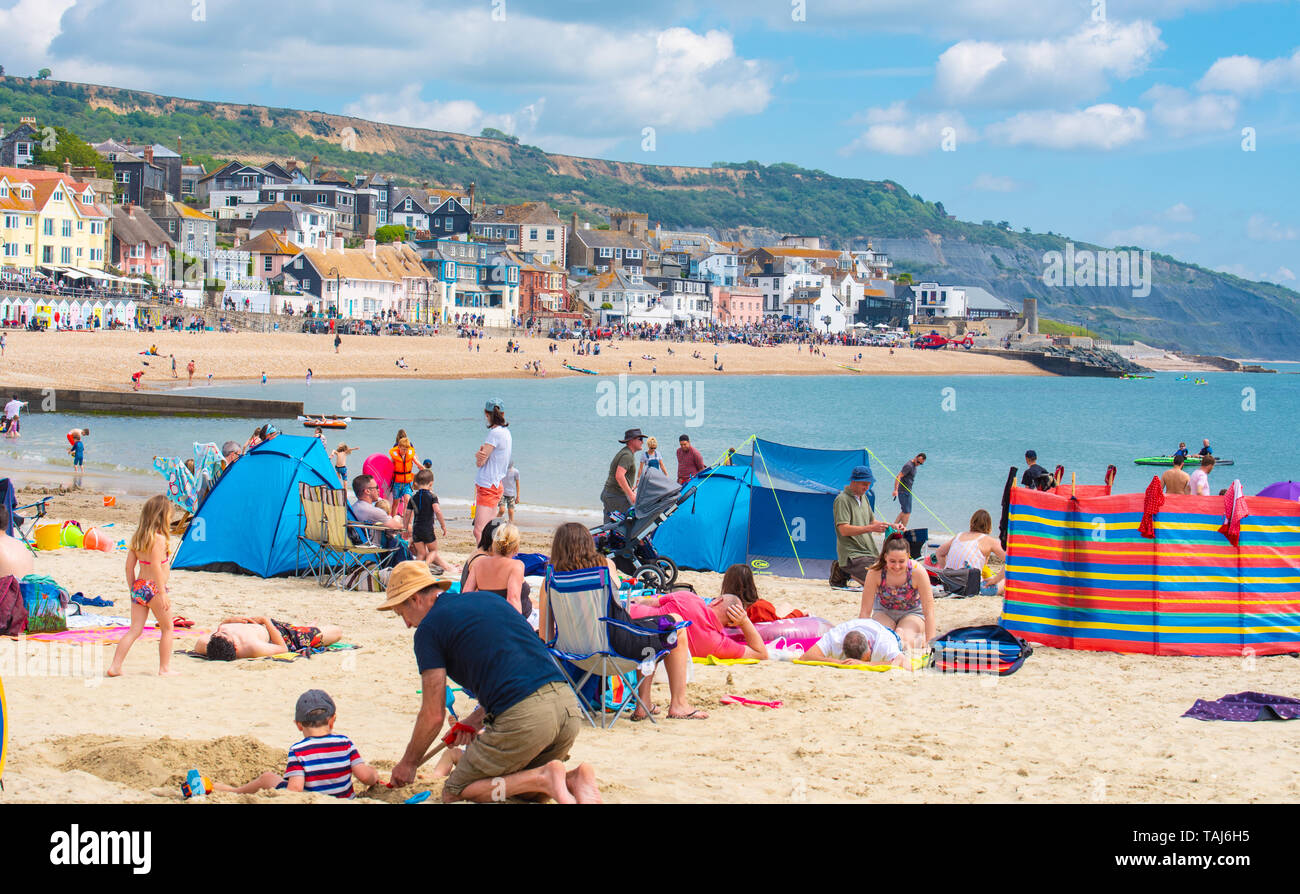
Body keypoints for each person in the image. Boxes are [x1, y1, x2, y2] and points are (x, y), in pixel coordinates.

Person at [380, 561, 601, 803]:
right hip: (567, 708)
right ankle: (572, 779)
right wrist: (474, 721)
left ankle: (545, 778)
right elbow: (518, 671)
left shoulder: (429, 630)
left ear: (415, 599)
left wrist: (408, 763)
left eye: (402, 613)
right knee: (522, 791)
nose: (407, 624)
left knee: (456, 791)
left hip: (527, 718)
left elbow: (433, 714)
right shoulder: (488, 600)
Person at [542, 523, 706, 721]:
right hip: (614, 648)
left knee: (645, 630)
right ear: (588, 544)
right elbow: (618, 596)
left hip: (572, 654)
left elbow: (546, 634)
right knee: (675, 624)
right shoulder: (602, 566)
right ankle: (678, 704)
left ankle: (644, 704)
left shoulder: (550, 579)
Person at [209, 690, 379, 798]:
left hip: (313, 799)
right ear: (332, 720)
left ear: (298, 724)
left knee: (267, 778)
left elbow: (295, 789)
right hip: (344, 800)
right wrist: (375, 776)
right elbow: (365, 777)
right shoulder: (345, 743)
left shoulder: (299, 751)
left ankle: (234, 793)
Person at [107, 495, 180, 677]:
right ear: (163, 517)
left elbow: (129, 566)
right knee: (168, 628)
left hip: (139, 587)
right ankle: (164, 668)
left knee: (134, 630)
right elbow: (156, 566)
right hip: (155, 588)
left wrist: (133, 588)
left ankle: (115, 666)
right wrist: (162, 593)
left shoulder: (138, 538)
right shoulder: (159, 539)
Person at [858, 535, 936, 650]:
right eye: (892, 561)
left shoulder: (918, 571)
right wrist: (861, 640)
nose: (897, 566)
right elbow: (865, 611)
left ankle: (919, 640)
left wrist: (931, 643)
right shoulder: (875, 572)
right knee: (883, 640)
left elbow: (929, 611)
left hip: (912, 613)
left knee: (904, 642)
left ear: (908, 557)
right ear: (885, 557)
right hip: (884, 612)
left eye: (901, 561)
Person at [833, 465, 890, 584]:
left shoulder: (864, 498)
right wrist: (870, 528)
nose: (867, 487)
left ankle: (843, 569)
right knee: (878, 581)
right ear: (853, 482)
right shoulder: (842, 500)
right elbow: (843, 529)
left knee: (888, 571)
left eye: (869, 484)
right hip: (852, 554)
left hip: (868, 552)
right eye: (864, 483)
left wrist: (890, 526)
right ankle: (843, 568)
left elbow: (872, 521)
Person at [933, 509, 1007, 596]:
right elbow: (1010, 560)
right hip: (971, 587)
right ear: (989, 526)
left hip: (950, 584)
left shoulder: (959, 535)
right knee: (1007, 582)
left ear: (972, 522)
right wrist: (996, 579)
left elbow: (939, 552)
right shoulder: (988, 540)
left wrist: (947, 572)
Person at [195, 617, 343, 660]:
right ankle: (306, 628)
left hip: (263, 626)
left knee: (299, 628)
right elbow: (282, 648)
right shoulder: (251, 647)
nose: (221, 630)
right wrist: (266, 621)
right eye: (226, 634)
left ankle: (304, 627)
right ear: (236, 647)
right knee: (336, 632)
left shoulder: (206, 644)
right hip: (281, 634)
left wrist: (227, 622)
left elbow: (218, 630)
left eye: (217, 632)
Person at [463, 522, 529, 616]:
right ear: (516, 547)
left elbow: (466, 594)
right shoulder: (516, 566)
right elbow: (513, 600)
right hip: (514, 619)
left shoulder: (479, 564)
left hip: (487, 616)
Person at [473, 398, 512, 543]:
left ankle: (481, 562)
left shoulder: (494, 434)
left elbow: (481, 461)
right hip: (496, 484)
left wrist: (478, 456)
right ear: (503, 413)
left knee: (479, 531)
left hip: (488, 484)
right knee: (490, 530)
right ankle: (492, 558)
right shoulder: (506, 433)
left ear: (486, 413)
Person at [802, 618, 908, 667]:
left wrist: (866, 664)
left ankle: (899, 633)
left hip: (885, 632)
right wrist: (837, 662)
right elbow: (806, 657)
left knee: (903, 643)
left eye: (868, 657)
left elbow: (904, 663)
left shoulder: (883, 641)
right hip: (860, 625)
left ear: (869, 644)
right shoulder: (835, 637)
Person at [721, 563, 806, 623]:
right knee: (787, 605)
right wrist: (799, 613)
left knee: (785, 605)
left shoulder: (722, 606)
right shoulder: (758, 608)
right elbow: (779, 624)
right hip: (765, 630)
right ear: (751, 583)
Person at [404, 469, 452, 572]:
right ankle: (425, 566)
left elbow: (407, 513)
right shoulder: (432, 496)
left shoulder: (413, 498)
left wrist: (405, 528)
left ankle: (414, 570)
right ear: (431, 483)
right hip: (427, 529)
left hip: (416, 529)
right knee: (433, 550)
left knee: (421, 553)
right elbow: (437, 511)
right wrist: (443, 526)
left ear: (416, 483)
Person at [350, 474, 404, 545]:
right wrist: (398, 518)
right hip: (373, 549)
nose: (378, 490)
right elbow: (398, 527)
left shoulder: (353, 508)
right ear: (367, 491)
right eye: (376, 487)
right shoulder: (374, 511)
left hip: (357, 547)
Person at [601, 428, 642, 520]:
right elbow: (619, 476)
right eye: (640, 439)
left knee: (610, 526)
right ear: (631, 441)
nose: (642, 442)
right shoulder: (627, 456)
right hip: (616, 496)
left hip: (610, 494)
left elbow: (622, 476)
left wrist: (631, 489)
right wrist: (631, 495)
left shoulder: (626, 452)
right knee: (625, 525)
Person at [891, 452, 926, 528]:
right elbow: (898, 476)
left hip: (907, 491)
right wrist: (895, 490)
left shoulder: (914, 466)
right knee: (907, 512)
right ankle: (903, 530)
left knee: (905, 511)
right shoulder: (909, 466)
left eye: (920, 463)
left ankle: (893, 528)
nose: (918, 464)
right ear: (916, 457)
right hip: (903, 491)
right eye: (918, 462)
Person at [389, 436, 416, 501]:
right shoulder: (394, 457)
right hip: (397, 482)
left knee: (407, 500)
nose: (405, 451)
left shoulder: (410, 456)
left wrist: (423, 469)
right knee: (396, 502)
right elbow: (389, 467)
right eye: (404, 449)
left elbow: (417, 463)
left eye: (406, 449)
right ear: (399, 447)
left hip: (407, 482)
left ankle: (405, 511)